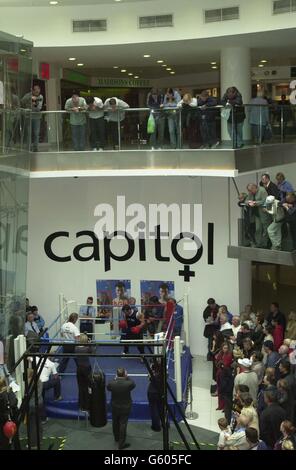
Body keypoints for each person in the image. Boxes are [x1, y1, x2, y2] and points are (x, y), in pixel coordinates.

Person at [107, 367, 136, 450]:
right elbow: (133, 384)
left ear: (117, 374)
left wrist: (115, 378)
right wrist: (127, 377)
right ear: (124, 374)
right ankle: (121, 443)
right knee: (122, 424)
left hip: (115, 406)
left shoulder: (112, 383)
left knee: (115, 422)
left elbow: (108, 387)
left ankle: (116, 438)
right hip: (125, 407)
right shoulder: (128, 383)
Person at [238, 183, 271, 248]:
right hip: (257, 214)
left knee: (265, 229)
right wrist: (249, 202)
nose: (249, 192)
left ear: (254, 188)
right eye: (249, 191)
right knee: (258, 229)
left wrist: (255, 203)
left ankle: (265, 244)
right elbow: (246, 201)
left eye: (250, 190)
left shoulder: (262, 191)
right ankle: (258, 243)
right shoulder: (251, 193)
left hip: (264, 213)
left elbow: (265, 201)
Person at [21, 83, 43, 152]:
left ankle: (35, 148)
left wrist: (34, 104)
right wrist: (30, 98)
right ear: (32, 91)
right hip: (28, 117)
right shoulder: (28, 95)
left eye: (38, 90)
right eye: (36, 91)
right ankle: (28, 148)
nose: (37, 92)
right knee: (29, 133)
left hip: (37, 117)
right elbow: (22, 101)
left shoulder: (40, 97)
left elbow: (39, 108)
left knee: (36, 133)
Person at [75, 333, 93, 411]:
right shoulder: (87, 348)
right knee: (88, 387)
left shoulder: (76, 348)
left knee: (80, 387)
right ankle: (87, 406)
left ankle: (81, 405)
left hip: (79, 368)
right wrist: (90, 344)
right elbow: (93, 352)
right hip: (86, 368)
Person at [0, 377, 18, 450]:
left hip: (4, 421)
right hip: (11, 419)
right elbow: (14, 402)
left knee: (4, 441)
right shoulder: (9, 392)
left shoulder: (3, 395)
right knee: (13, 438)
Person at [215, 342, 233, 411]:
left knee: (224, 392)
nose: (225, 349)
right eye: (224, 348)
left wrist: (220, 363)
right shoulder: (220, 353)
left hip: (225, 375)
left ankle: (225, 407)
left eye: (227, 348)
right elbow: (217, 363)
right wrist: (220, 363)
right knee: (219, 390)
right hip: (219, 374)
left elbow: (225, 365)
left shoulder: (229, 355)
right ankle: (220, 406)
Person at [147, 361, 164, 432]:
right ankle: (165, 424)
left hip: (152, 393)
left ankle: (156, 426)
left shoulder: (153, 376)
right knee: (162, 408)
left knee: (154, 410)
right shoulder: (164, 374)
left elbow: (149, 377)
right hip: (161, 393)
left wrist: (151, 368)